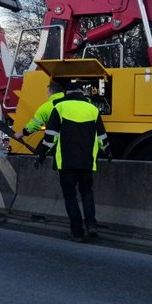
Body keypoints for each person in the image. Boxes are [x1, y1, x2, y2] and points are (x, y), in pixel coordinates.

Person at [35, 82, 110, 242]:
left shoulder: (60, 108)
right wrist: (108, 151)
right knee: (87, 193)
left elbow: (50, 137)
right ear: (82, 93)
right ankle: (91, 225)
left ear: (66, 93)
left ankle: (77, 232)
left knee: (70, 196)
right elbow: (102, 137)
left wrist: (41, 155)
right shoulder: (93, 109)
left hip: (66, 162)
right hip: (87, 162)